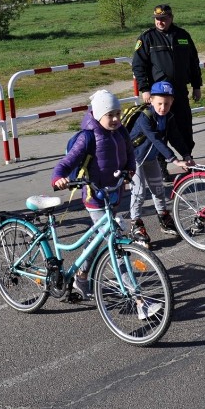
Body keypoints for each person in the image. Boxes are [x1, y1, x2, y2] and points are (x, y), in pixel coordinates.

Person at [52, 90, 136, 299]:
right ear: (98, 115)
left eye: (118, 113)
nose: (116, 118)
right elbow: (67, 162)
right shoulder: (87, 137)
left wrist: (130, 170)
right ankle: (137, 296)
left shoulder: (121, 132)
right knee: (113, 241)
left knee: (97, 240)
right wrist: (58, 177)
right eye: (110, 115)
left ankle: (81, 276)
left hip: (114, 193)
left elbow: (130, 154)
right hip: (94, 196)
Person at [131, 4, 202, 182]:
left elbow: (193, 62)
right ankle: (161, 166)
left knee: (184, 127)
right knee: (159, 131)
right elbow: (138, 66)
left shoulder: (183, 36)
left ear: (171, 18)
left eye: (163, 18)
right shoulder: (147, 38)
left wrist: (196, 85)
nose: (160, 22)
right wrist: (145, 89)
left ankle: (187, 160)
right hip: (158, 95)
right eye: (157, 19)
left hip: (179, 91)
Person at [127, 81, 194, 245]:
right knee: (139, 191)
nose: (163, 107)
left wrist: (186, 154)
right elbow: (156, 140)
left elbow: (175, 137)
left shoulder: (168, 117)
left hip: (150, 158)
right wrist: (174, 160)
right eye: (159, 103)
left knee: (158, 189)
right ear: (151, 100)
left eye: (166, 103)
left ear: (172, 102)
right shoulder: (145, 117)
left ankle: (164, 218)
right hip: (134, 159)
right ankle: (135, 224)